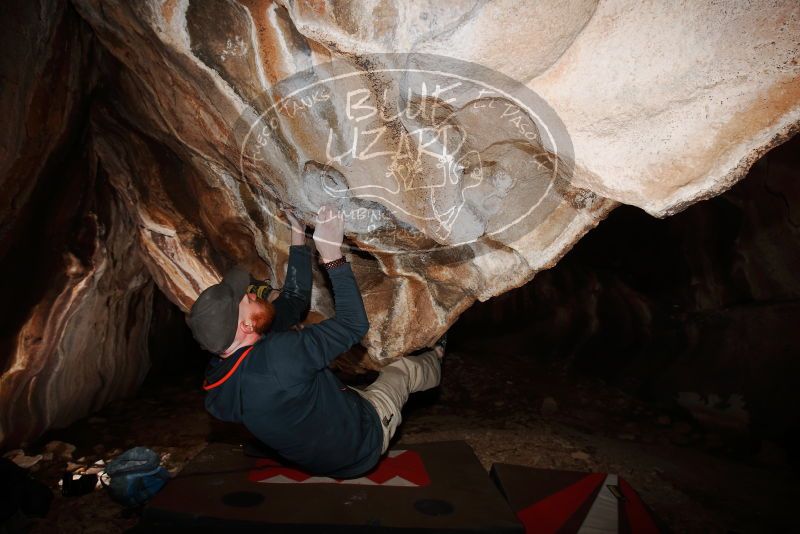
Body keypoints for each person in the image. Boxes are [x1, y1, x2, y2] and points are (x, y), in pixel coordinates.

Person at [186, 205, 444, 477]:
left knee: (329, 386)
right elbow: (353, 325)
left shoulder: (222, 371)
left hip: (317, 447)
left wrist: (299, 235)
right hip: (361, 443)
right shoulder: (279, 358)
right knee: (401, 371)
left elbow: (294, 301)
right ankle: (436, 358)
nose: (252, 295)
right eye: (246, 299)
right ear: (247, 325)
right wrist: (332, 255)